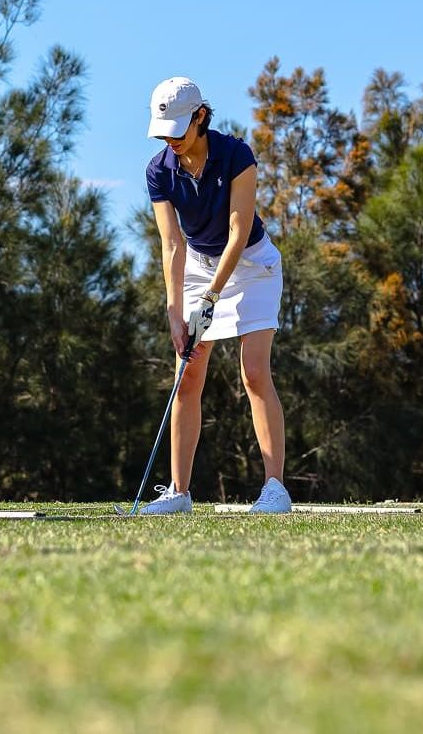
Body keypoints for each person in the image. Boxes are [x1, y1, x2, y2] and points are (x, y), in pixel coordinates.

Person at [141, 76, 292, 515]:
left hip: (252, 266)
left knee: (254, 372)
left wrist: (211, 297)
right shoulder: (159, 171)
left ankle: (276, 489)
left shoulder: (236, 155)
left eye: (178, 130)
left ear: (201, 117)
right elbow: (172, 245)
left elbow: (237, 232)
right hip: (197, 270)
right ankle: (179, 492)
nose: (171, 141)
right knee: (187, 376)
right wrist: (174, 311)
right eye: (164, 133)